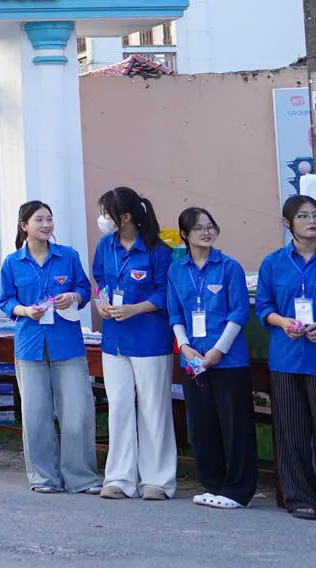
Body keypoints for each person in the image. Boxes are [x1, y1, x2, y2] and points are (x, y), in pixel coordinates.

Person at [0, 200, 98, 495]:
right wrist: (24, 310)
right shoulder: (12, 262)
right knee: (36, 414)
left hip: (67, 344)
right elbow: (6, 300)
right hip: (30, 345)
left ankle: (81, 477)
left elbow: (84, 289)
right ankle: (43, 477)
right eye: (39, 220)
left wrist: (73, 298)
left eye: (49, 219)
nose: (46, 225)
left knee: (77, 412)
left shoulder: (68, 256)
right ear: (24, 226)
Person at [90, 185, 176, 500]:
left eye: (106, 213)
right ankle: (119, 477)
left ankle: (158, 480)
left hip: (149, 339)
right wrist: (101, 303)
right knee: (119, 407)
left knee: (153, 409)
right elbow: (99, 280)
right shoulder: (105, 246)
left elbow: (165, 292)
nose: (102, 218)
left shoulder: (157, 250)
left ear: (125, 217)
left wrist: (135, 309)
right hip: (114, 340)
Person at [167, 206, 254, 510]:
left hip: (228, 360)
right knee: (202, 424)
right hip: (193, 360)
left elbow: (239, 312)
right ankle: (213, 484)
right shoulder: (176, 270)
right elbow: (175, 313)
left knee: (235, 424)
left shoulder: (229, 267)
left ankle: (238, 490)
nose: (206, 233)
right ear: (185, 234)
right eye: (199, 228)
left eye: (210, 227)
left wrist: (219, 349)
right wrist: (184, 346)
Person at [256, 195, 316, 520]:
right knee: (292, 431)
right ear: (287, 223)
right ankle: (299, 497)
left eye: (315, 214)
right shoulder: (273, 263)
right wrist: (283, 322)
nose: (311, 221)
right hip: (287, 357)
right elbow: (264, 307)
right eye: (303, 216)